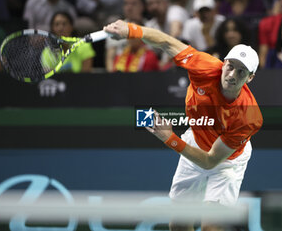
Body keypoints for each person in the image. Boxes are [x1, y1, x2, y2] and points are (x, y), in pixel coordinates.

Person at [103, 19, 263, 230]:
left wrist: (170, 138)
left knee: (211, 227)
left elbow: (210, 161)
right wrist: (130, 30)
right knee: (178, 225)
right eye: (231, 66)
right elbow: (167, 42)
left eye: (241, 72)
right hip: (196, 141)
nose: (232, 75)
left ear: (250, 78)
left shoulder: (249, 117)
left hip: (227, 162)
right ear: (223, 63)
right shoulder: (204, 67)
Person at [105, 0, 147, 72]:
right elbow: (110, 58)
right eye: (126, 4)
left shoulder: (150, 26)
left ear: (142, 6)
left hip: (147, 70)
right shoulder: (115, 29)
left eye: (134, 4)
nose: (129, 7)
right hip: (121, 71)